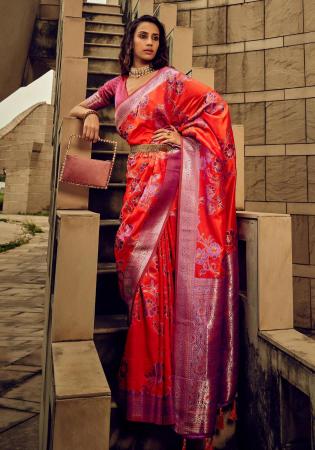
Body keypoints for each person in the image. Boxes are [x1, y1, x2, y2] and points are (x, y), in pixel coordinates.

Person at [69, 14, 239, 450]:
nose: (148, 42)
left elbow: (216, 108)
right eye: (141, 35)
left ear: (160, 45)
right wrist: (88, 114)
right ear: (130, 41)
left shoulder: (170, 79)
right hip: (137, 186)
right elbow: (78, 105)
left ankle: (168, 396)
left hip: (170, 183)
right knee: (138, 275)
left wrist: (183, 135)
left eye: (154, 37)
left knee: (163, 282)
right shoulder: (117, 86)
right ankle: (147, 389)